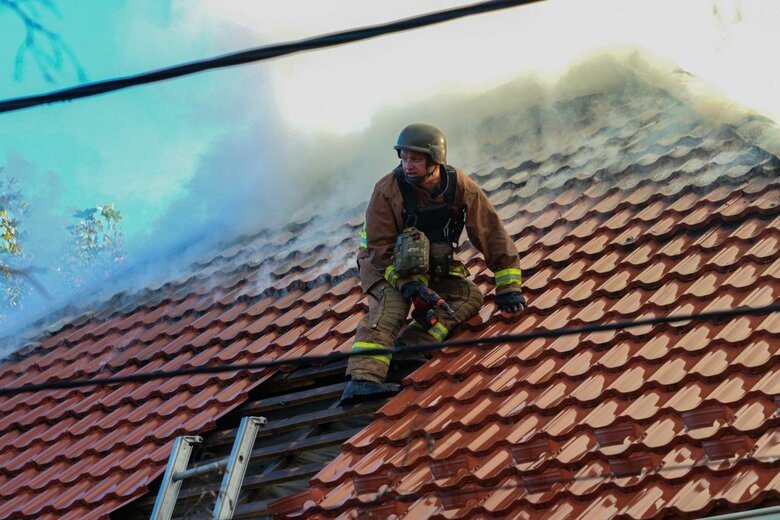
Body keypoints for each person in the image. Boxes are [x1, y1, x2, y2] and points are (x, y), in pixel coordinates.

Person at [340, 123, 526, 404]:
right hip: (383, 265)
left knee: (468, 296)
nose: (407, 166)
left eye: (415, 159)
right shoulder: (387, 190)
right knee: (393, 307)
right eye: (403, 158)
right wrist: (408, 285)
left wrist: (508, 285)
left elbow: (490, 231)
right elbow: (379, 249)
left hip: (428, 265)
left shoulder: (460, 186)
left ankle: (410, 347)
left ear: (435, 160)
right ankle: (362, 379)